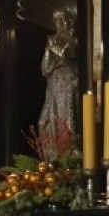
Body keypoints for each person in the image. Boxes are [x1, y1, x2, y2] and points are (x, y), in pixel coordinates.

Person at [38, 10, 79, 142]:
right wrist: (52, 51)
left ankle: (68, 149)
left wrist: (60, 51)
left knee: (66, 115)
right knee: (45, 120)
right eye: (57, 21)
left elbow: (70, 56)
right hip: (54, 82)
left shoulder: (73, 40)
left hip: (68, 81)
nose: (59, 24)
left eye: (62, 20)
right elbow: (45, 67)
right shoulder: (51, 41)